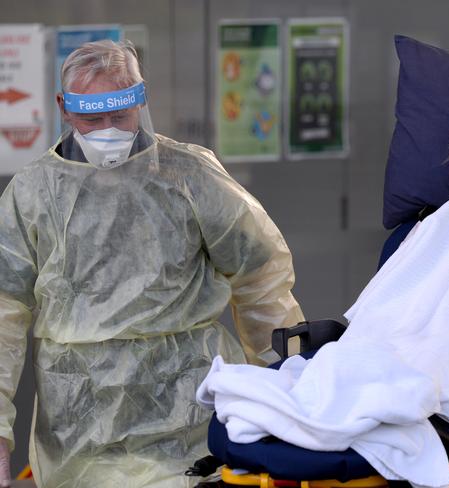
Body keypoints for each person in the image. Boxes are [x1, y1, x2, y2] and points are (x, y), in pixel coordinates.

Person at [0, 40, 304, 487]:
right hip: (80, 435)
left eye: (120, 116)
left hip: (192, 421)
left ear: (140, 101)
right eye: (92, 118)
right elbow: (3, 312)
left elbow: (262, 281)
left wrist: (286, 389)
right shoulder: (33, 196)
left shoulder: (190, 176)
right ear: (64, 108)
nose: (108, 130)